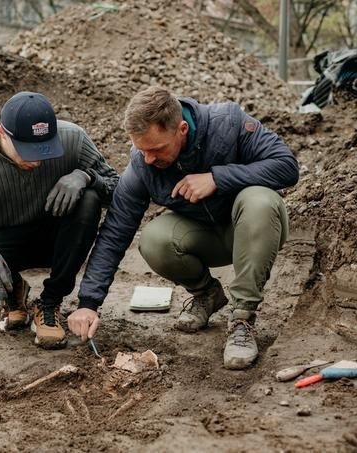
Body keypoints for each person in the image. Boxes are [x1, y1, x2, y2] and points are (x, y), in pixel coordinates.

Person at [68, 86, 299, 369]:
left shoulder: (228, 123)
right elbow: (115, 231)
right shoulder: (143, 163)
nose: (149, 159)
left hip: (254, 231)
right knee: (154, 239)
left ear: (182, 128)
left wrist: (217, 177)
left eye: (156, 149)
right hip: (206, 237)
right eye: (142, 150)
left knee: (261, 201)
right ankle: (207, 295)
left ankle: (243, 318)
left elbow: (286, 166)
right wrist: (88, 303)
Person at [0, 91, 119, 349]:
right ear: (1, 132)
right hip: (6, 238)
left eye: (43, 150)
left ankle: (49, 302)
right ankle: (14, 290)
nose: (35, 160)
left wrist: (86, 176)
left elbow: (119, 189)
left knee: (89, 200)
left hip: (58, 238)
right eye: (26, 150)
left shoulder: (73, 139)